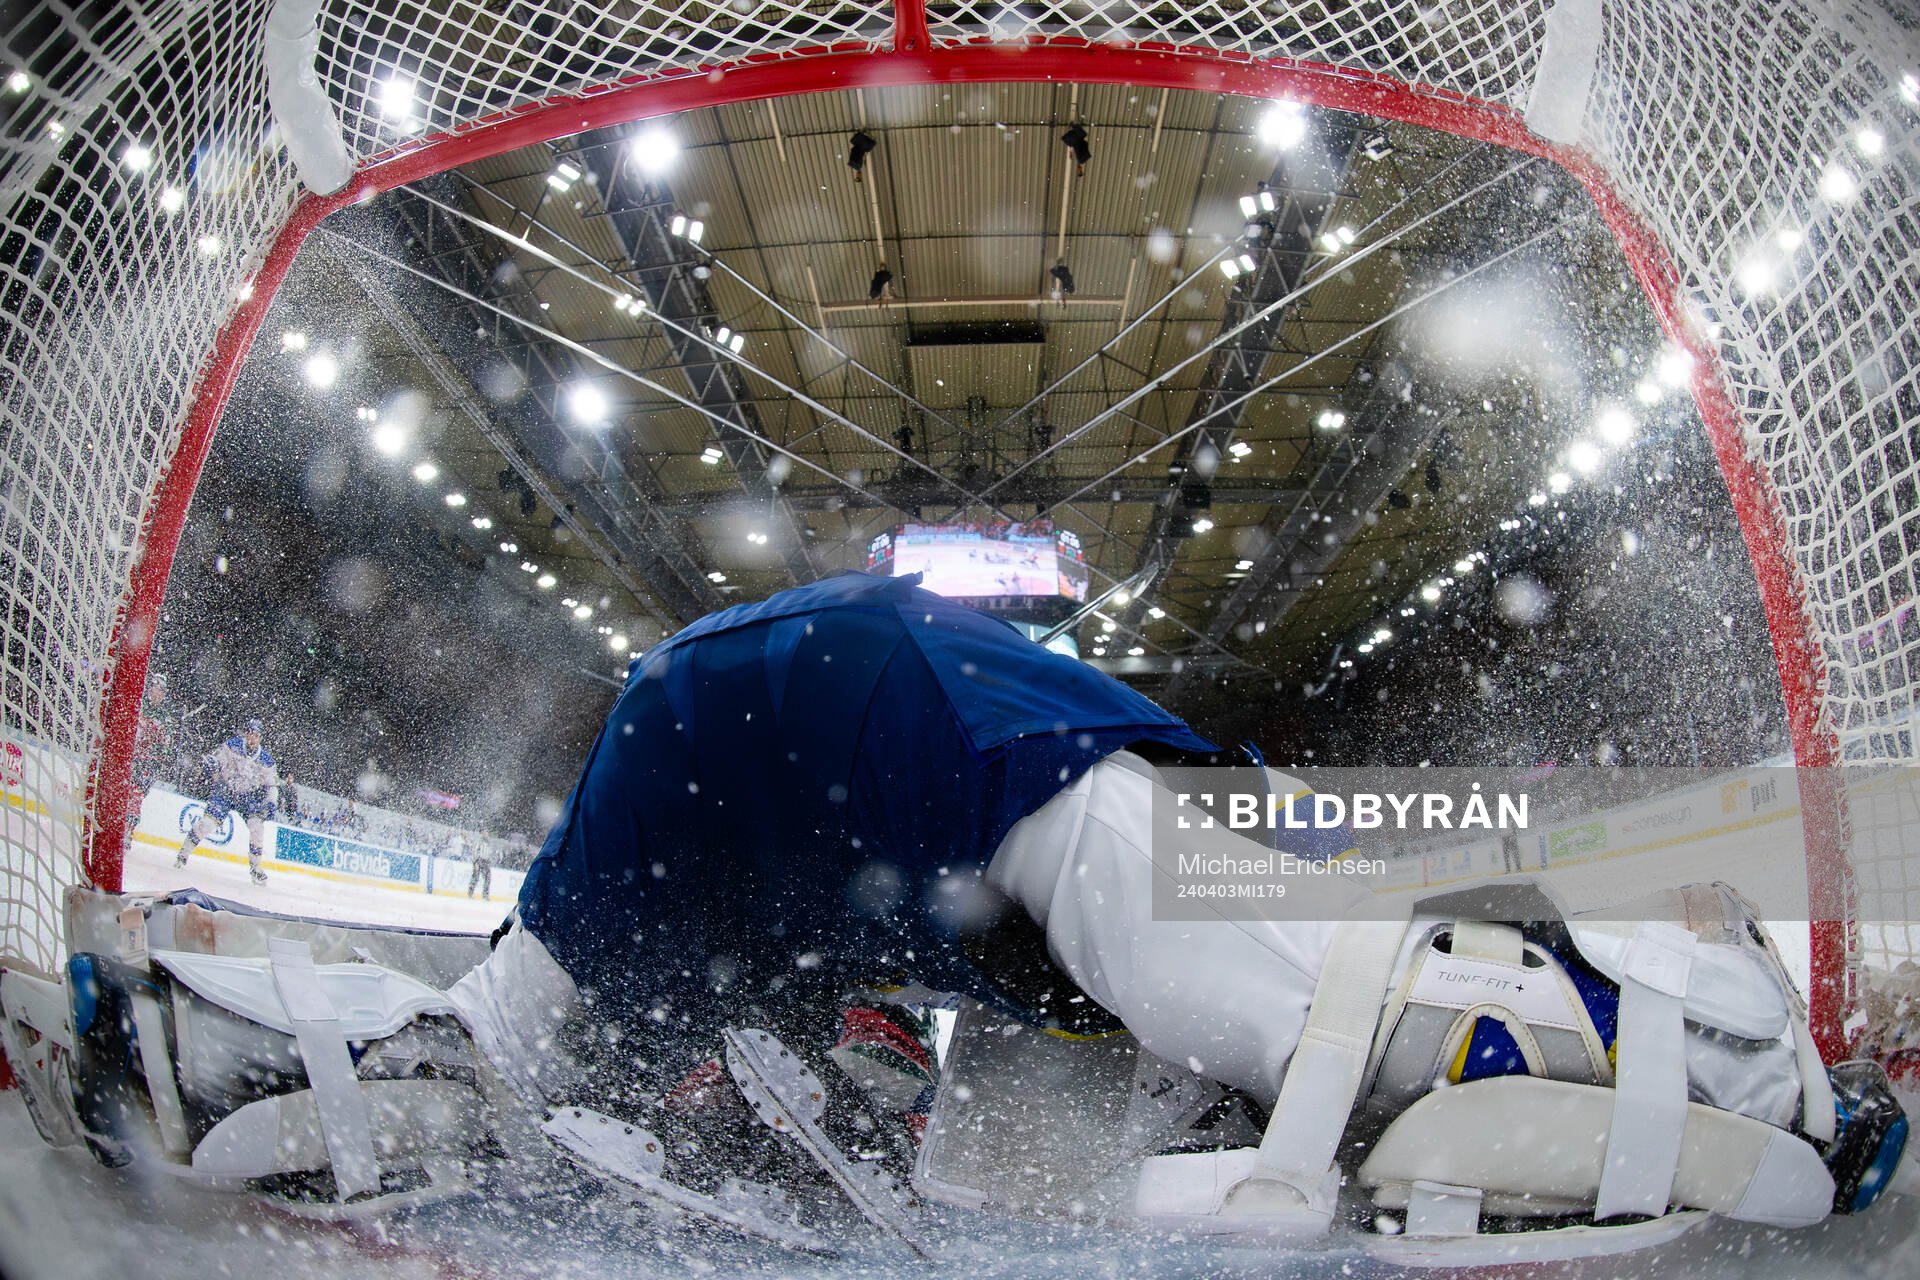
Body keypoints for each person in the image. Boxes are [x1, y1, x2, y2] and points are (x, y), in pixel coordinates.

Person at [174, 717, 279, 885]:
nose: (253, 739)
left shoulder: (266, 760)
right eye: (251, 734)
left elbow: (272, 785)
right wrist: (213, 764)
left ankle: (256, 867)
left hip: (248, 797)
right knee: (207, 824)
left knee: (257, 828)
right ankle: (183, 853)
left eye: (257, 736)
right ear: (246, 734)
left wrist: (271, 802)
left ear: (261, 738)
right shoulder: (232, 745)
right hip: (225, 791)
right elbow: (217, 760)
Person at [466, 835, 493, 901]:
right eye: (485, 832)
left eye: (487, 833)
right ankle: (470, 893)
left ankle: (485, 895)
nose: (486, 834)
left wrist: (489, 863)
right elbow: (475, 852)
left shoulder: (489, 844)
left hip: (485, 862)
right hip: (479, 860)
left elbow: (489, 854)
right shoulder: (479, 842)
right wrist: (475, 862)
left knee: (487, 878)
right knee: (475, 878)